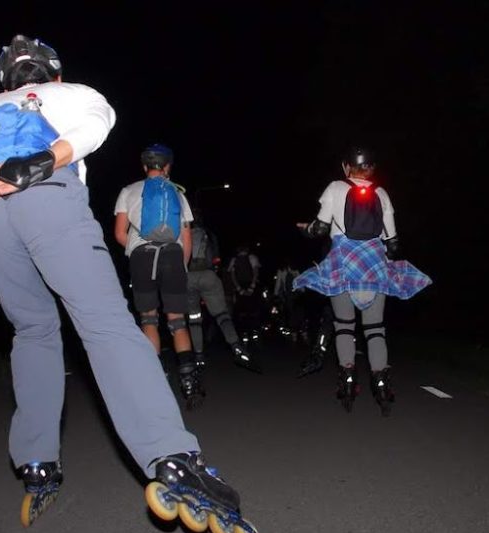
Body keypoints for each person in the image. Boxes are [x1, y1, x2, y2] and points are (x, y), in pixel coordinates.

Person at [0, 36, 259, 533]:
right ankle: (172, 457)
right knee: (103, 323)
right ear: (52, 73)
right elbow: (96, 127)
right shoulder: (71, 92)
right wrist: (36, 164)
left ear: (4, 79)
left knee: (32, 330)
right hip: (42, 195)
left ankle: (37, 464)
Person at [293, 147, 432, 416]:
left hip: (343, 263)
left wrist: (306, 230)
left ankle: (347, 378)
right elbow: (393, 243)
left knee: (344, 325)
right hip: (374, 265)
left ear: (347, 167)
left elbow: (320, 228)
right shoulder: (381, 194)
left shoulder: (335, 187)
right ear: (372, 168)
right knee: (375, 328)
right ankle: (380, 381)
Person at [113, 144, 204, 409]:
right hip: (173, 256)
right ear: (167, 167)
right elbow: (186, 236)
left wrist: (136, 250)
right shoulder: (177, 192)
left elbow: (120, 233)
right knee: (177, 321)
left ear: (144, 167)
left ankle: (154, 388)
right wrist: (181, 265)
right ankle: (190, 388)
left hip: (142, 257)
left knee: (148, 319)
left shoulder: (128, 191)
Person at [185, 208, 260, 373]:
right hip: (208, 275)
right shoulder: (210, 235)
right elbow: (217, 259)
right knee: (222, 315)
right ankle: (237, 347)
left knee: (194, 319)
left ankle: (198, 356)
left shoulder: (182, 232)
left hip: (189, 277)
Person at [226, 244, 263, 341]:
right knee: (253, 310)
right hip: (251, 287)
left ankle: (243, 333)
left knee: (241, 311)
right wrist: (252, 287)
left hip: (240, 287)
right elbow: (256, 272)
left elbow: (232, 275)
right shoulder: (252, 257)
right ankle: (254, 332)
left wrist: (239, 289)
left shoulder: (234, 260)